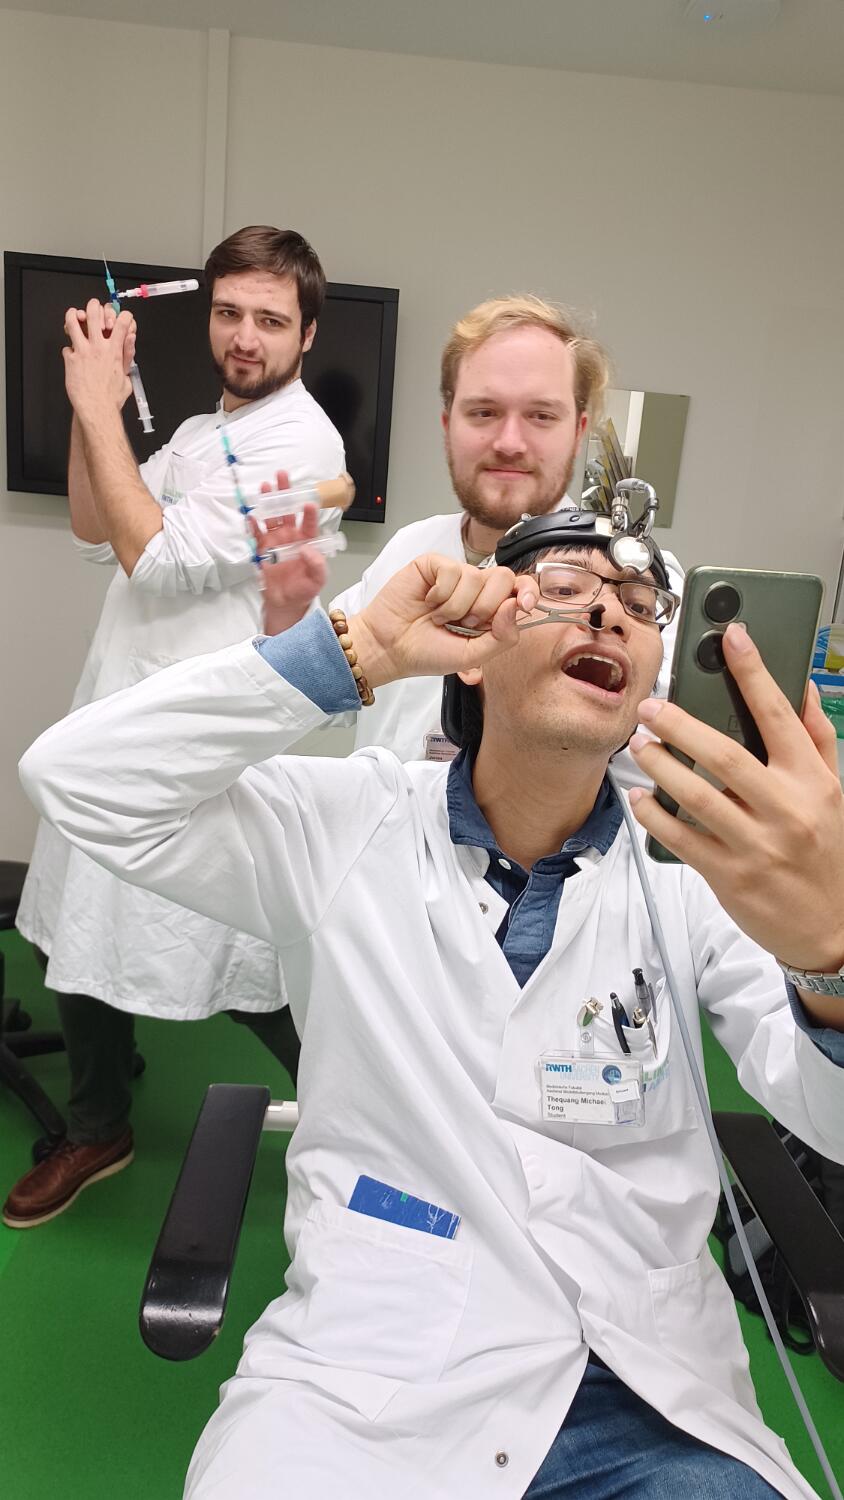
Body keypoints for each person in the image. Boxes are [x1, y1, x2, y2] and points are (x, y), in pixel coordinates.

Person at [18, 513, 844, 1500]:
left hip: (648, 1390)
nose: (607, 614)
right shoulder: (344, 823)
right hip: (369, 1381)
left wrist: (828, 959)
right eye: (566, 589)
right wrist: (354, 651)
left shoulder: (695, 875)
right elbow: (79, 780)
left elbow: (827, 1115)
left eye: (637, 604)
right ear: (473, 656)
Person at [5, 225, 346, 1230]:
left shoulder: (302, 447)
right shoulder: (199, 429)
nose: (244, 335)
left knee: (240, 953)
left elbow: (158, 559)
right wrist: (95, 410)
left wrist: (99, 406)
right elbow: (94, 525)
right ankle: (98, 1124)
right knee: (80, 917)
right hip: (118, 708)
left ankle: (374, 1111)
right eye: (229, 312)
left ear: (307, 333)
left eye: (270, 319)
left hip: (202, 738)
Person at [262, 294, 684, 776]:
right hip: (382, 820)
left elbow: (648, 781)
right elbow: (330, 701)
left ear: (577, 431)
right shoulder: (408, 550)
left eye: (541, 415)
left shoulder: (638, 590)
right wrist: (286, 612)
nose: (509, 442)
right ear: (448, 426)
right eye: (483, 412)